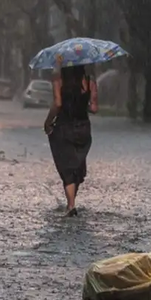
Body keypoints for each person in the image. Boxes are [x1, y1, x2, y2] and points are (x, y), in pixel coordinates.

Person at [44, 56, 99, 217]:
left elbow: (58, 104)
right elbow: (94, 108)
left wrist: (48, 122)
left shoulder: (58, 79)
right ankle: (72, 202)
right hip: (83, 128)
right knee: (77, 166)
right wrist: (82, 103)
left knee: (66, 166)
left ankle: (70, 205)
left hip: (64, 127)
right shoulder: (89, 81)